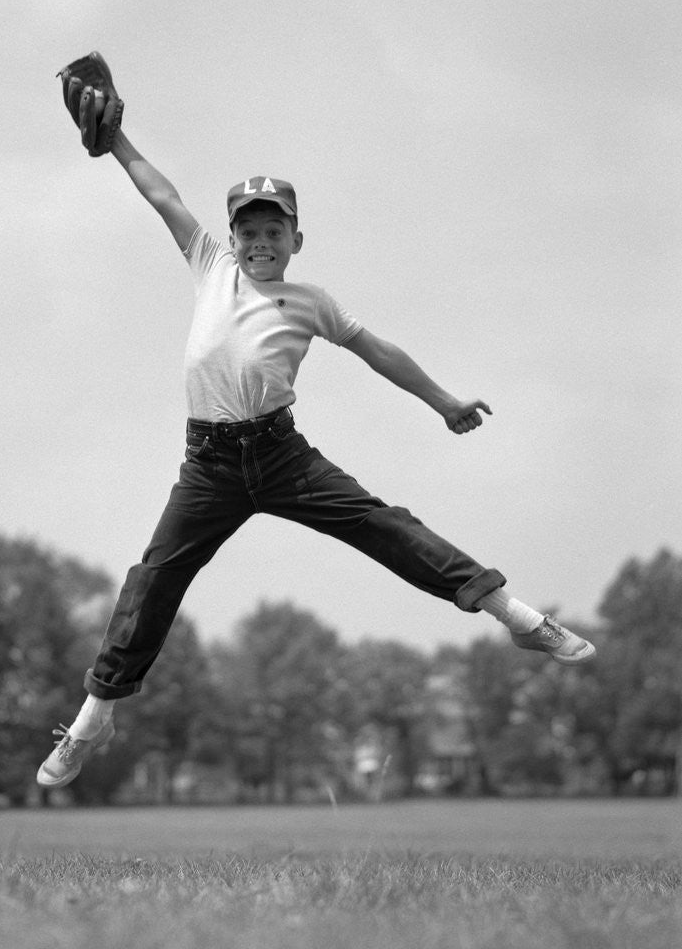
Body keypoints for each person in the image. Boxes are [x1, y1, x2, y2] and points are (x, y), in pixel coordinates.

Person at [37, 104, 596, 789]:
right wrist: (115, 141)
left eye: (273, 229)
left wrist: (443, 402)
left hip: (281, 457)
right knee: (153, 579)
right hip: (208, 467)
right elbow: (163, 196)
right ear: (233, 239)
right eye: (247, 229)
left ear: (296, 239)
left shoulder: (311, 302)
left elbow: (376, 351)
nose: (258, 240)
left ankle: (515, 615)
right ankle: (95, 717)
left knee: (384, 525)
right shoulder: (211, 266)